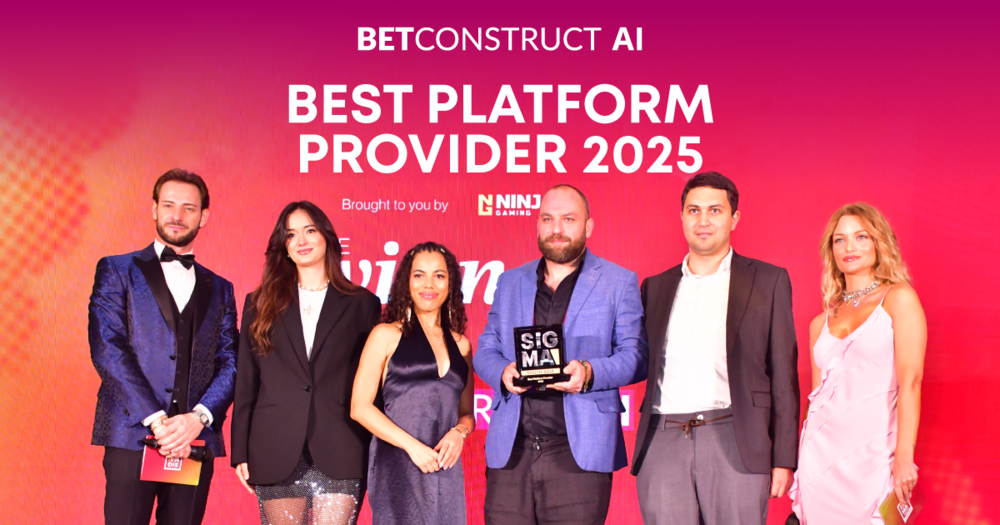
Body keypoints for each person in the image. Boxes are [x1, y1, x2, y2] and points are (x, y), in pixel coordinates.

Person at [473, 185, 648, 525]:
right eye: (548, 219)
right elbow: (486, 349)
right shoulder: (510, 281)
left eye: (568, 219)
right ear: (538, 225)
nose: (557, 229)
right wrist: (502, 373)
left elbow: (636, 355)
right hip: (513, 451)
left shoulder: (618, 282)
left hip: (578, 452)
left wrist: (589, 372)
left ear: (588, 226)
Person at [632, 172, 800, 525]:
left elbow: (784, 375)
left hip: (737, 438)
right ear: (682, 217)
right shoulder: (654, 287)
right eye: (694, 211)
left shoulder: (768, 280)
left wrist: (784, 459)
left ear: (734, 218)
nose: (703, 221)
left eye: (715, 210)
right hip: (663, 439)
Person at [89, 168, 237, 525]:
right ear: (154, 209)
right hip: (132, 434)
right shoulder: (117, 269)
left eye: (189, 208)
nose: (177, 215)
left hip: (192, 438)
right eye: (169, 205)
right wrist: (158, 421)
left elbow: (231, 360)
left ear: (204, 216)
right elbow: (108, 347)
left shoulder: (220, 288)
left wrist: (197, 419)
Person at [231, 201, 381, 525]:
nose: (301, 240)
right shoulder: (259, 303)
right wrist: (239, 451)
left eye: (310, 230)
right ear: (283, 245)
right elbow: (246, 381)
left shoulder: (363, 303)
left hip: (342, 445)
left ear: (326, 236)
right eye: (291, 234)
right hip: (274, 446)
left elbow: (373, 385)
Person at [789, 203, 925, 524]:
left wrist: (904, 456)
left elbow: (911, 383)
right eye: (840, 240)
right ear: (831, 250)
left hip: (875, 456)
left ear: (879, 243)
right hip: (819, 462)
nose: (849, 247)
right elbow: (815, 401)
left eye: (861, 236)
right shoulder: (819, 323)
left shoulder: (899, 299)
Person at [351, 242, 475, 525]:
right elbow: (360, 407)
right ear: (406, 282)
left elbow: (467, 414)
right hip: (399, 463)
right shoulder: (385, 334)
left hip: (444, 466)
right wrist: (413, 447)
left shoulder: (462, 345)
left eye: (439, 275)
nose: (428, 284)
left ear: (451, 284)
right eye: (419, 275)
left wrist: (459, 433)